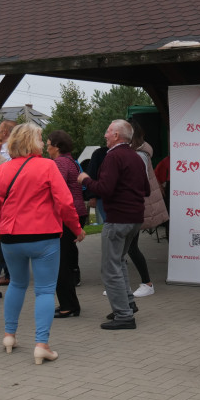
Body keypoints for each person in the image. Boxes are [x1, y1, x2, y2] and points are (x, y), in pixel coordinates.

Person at [0, 123, 85, 363]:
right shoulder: (47, 166)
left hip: (10, 236)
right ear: (33, 142)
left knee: (16, 285)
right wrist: (77, 229)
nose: (44, 143)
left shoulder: (2, 169)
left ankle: (9, 335)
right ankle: (41, 344)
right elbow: (65, 203)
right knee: (43, 290)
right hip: (43, 236)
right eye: (41, 139)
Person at [78, 120, 150, 330]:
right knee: (118, 262)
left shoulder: (113, 157)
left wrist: (85, 180)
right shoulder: (136, 157)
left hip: (118, 218)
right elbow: (145, 189)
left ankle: (124, 315)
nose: (105, 135)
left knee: (110, 268)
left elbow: (105, 189)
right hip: (135, 218)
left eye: (108, 131)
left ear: (117, 135)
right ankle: (127, 304)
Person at [46, 129, 87, 318]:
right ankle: (71, 304)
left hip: (67, 215)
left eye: (48, 144)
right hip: (77, 212)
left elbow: (56, 188)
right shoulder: (71, 161)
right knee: (67, 261)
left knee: (60, 263)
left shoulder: (60, 163)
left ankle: (67, 306)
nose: (46, 148)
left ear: (56, 146)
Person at [126, 123, 168, 298]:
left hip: (134, 207)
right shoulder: (139, 153)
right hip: (134, 206)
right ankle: (121, 284)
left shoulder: (140, 155)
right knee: (126, 247)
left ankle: (147, 283)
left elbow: (137, 180)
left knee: (130, 247)